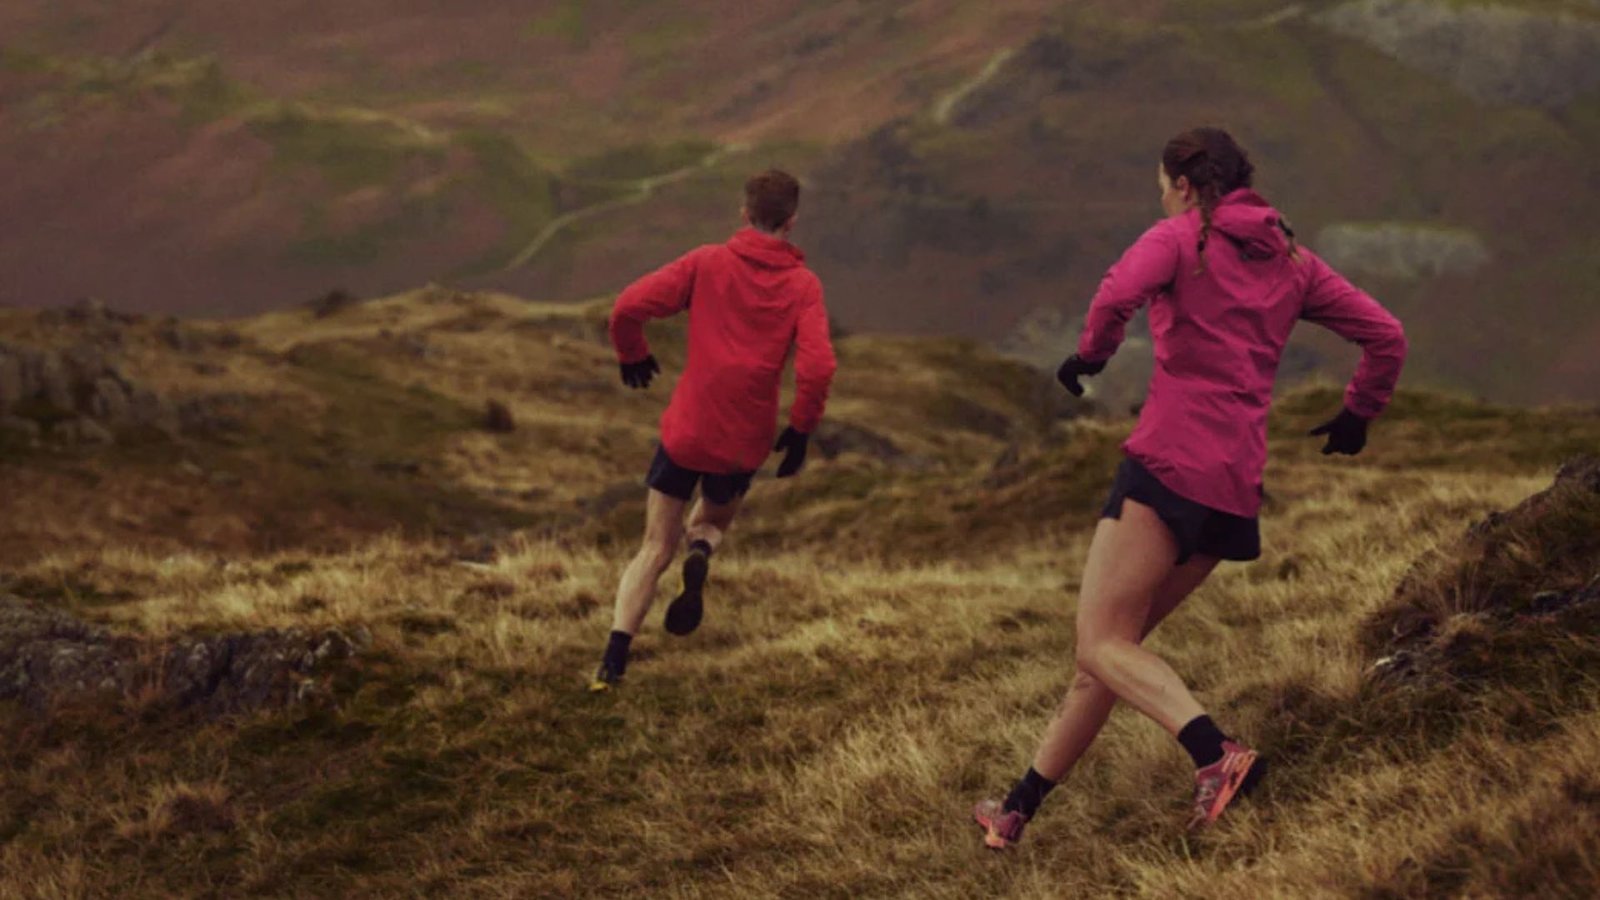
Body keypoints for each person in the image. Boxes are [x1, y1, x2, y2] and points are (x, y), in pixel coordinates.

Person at [973, 127, 1407, 846]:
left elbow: (1116, 295)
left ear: (1181, 183)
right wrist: (1358, 414)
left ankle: (1216, 755)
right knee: (1115, 651)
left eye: (1162, 184)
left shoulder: (1180, 238)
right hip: (1233, 489)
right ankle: (1014, 813)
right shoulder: (1294, 260)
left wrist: (1090, 356)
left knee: (1099, 645)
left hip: (1168, 467)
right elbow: (1386, 335)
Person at [590, 169, 838, 692]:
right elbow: (817, 368)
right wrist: (800, 430)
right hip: (743, 440)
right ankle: (701, 549)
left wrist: (631, 352)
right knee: (713, 521)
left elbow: (628, 306)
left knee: (654, 546)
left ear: (744, 215)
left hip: (688, 428)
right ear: (792, 222)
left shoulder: (706, 263)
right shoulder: (803, 286)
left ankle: (612, 662)